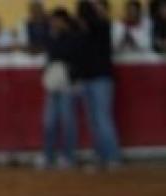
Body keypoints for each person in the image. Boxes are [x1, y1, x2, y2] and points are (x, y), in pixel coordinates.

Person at [77, 0, 122, 168]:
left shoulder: (102, 26)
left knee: (102, 119)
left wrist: (94, 4)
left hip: (101, 78)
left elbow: (103, 19)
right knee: (94, 121)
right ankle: (101, 156)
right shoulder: (84, 32)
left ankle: (112, 156)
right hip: (89, 78)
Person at [40, 8, 80, 169]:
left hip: (67, 82)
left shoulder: (72, 37)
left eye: (56, 20)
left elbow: (63, 54)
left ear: (64, 21)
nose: (54, 23)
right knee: (49, 122)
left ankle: (68, 156)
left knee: (67, 121)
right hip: (54, 81)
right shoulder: (52, 36)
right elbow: (51, 54)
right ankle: (48, 156)